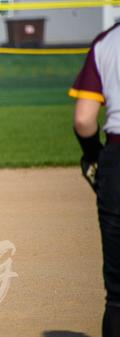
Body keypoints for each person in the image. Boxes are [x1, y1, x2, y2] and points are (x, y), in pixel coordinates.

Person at [69, 21, 120, 336]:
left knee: (116, 296)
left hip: (116, 161)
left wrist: (94, 157)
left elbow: (84, 119)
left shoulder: (107, 42)